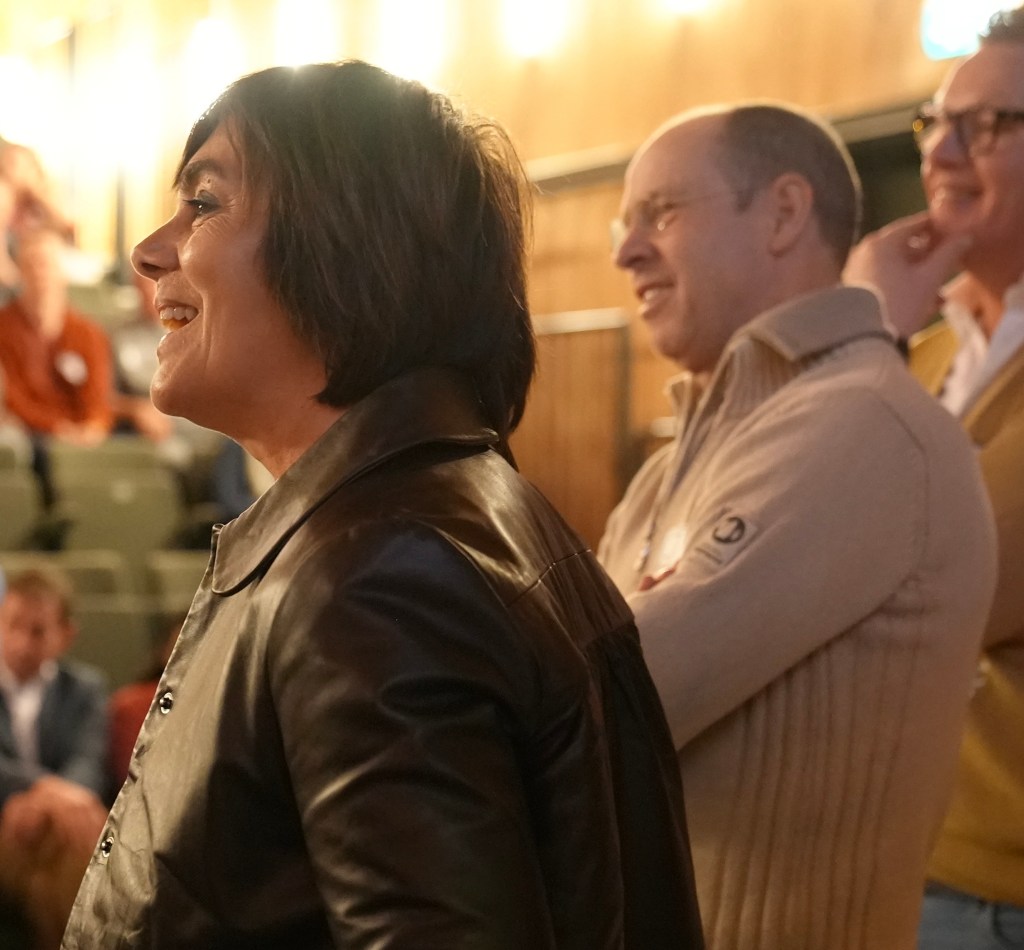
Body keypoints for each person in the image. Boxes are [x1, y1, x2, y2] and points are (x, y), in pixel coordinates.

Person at [61, 61, 703, 949]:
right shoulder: (436, 514)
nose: (148, 251)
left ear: (346, 246)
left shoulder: (379, 574)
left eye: (203, 203)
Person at [598, 102, 997, 949]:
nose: (624, 250)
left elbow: (602, 698)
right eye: (621, 224)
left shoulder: (865, 423)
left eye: (660, 213)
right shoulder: (677, 460)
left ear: (783, 213)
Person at [844, 8, 1024, 948]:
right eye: (935, 122)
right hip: (906, 851)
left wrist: (862, 332)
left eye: (985, 126)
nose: (941, 152)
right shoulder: (928, 350)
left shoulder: (887, 350)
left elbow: (940, 588)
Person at [0, 567, 108, 950]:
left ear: (66, 635)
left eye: (37, 631)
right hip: (5, 818)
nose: (21, 642)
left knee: (67, 848)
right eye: (12, 625)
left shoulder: (85, 689)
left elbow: (89, 760)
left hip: (59, 828)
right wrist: (43, 789)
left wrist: (51, 804)